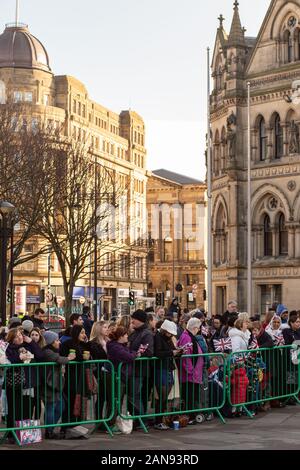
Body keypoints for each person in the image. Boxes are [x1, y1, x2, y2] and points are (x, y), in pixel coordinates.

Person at [5, 327, 44, 443]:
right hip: (14, 384)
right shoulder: (8, 348)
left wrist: (31, 342)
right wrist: (19, 358)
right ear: (12, 339)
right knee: (14, 409)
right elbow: (7, 360)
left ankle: (24, 434)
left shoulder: (27, 346)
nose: (20, 337)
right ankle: (12, 434)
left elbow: (40, 356)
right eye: (16, 336)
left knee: (26, 409)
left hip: (28, 383)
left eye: (20, 335)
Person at [107, 326, 142, 433]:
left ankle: (113, 423)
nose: (127, 336)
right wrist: (136, 354)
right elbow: (129, 356)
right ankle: (110, 424)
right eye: (126, 334)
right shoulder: (115, 347)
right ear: (121, 336)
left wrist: (134, 353)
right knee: (115, 402)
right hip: (116, 376)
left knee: (118, 401)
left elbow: (129, 354)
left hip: (121, 376)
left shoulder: (120, 345)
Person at [42, 331, 76, 439]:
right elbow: (58, 359)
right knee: (51, 407)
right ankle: (49, 431)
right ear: (50, 342)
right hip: (49, 383)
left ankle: (50, 428)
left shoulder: (54, 350)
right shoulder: (47, 351)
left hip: (56, 384)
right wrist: (69, 358)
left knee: (61, 406)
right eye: (56, 340)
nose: (59, 342)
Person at [60, 325, 92, 437]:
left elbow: (90, 354)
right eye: (82, 333)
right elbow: (70, 357)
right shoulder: (67, 344)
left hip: (80, 377)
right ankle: (66, 426)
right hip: (70, 377)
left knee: (78, 400)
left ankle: (76, 424)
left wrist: (87, 347)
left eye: (85, 333)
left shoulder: (83, 344)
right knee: (70, 400)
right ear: (76, 333)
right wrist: (81, 358)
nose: (84, 335)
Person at [153, 320, 183, 430]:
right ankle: (158, 420)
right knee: (162, 397)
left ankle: (160, 419)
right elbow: (157, 353)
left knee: (164, 397)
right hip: (161, 369)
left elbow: (170, 351)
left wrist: (178, 352)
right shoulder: (157, 337)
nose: (171, 335)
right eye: (169, 332)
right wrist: (172, 353)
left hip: (168, 368)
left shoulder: (167, 339)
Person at [177, 317, 205, 425]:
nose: (198, 330)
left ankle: (191, 415)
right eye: (198, 328)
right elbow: (186, 356)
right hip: (190, 375)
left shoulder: (189, 337)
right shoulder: (187, 337)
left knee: (192, 395)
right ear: (194, 328)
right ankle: (189, 416)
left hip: (193, 373)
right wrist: (190, 371)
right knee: (190, 396)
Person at [128, 310, 154, 420]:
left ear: (140, 320)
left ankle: (141, 419)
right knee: (133, 395)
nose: (132, 320)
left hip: (139, 370)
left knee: (134, 395)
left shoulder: (146, 333)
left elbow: (148, 351)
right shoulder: (135, 332)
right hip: (132, 369)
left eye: (134, 318)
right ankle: (136, 418)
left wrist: (134, 354)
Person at [89, 321, 113, 428]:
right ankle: (99, 421)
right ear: (98, 329)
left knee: (108, 397)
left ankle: (107, 420)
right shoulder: (93, 343)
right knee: (101, 397)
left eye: (107, 327)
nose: (107, 329)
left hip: (108, 372)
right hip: (99, 372)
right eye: (104, 327)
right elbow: (97, 357)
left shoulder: (108, 341)